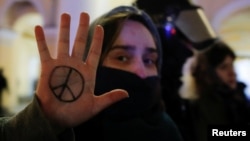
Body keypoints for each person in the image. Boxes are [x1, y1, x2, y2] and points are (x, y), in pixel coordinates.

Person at [0, 6, 183, 141]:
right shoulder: (64, 132)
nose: (140, 71)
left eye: (149, 60)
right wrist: (43, 121)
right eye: (122, 58)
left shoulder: (169, 131)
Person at [179, 40, 250, 141]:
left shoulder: (237, 96)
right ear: (209, 73)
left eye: (232, 65)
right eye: (224, 67)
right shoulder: (204, 103)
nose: (232, 73)